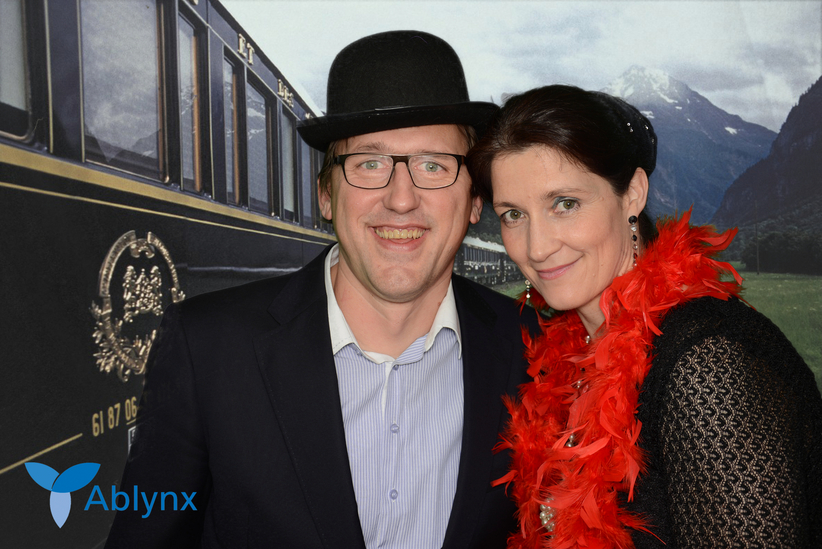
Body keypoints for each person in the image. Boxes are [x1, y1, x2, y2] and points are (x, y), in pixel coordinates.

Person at [104, 31, 539, 549]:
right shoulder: (206, 348)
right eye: (369, 164)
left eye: (434, 166)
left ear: (474, 202)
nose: (401, 199)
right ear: (326, 196)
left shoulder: (532, 349)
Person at [467, 85, 822, 548]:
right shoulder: (565, 359)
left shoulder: (705, 366)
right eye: (514, 214)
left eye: (565, 204)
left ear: (632, 194)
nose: (536, 247)